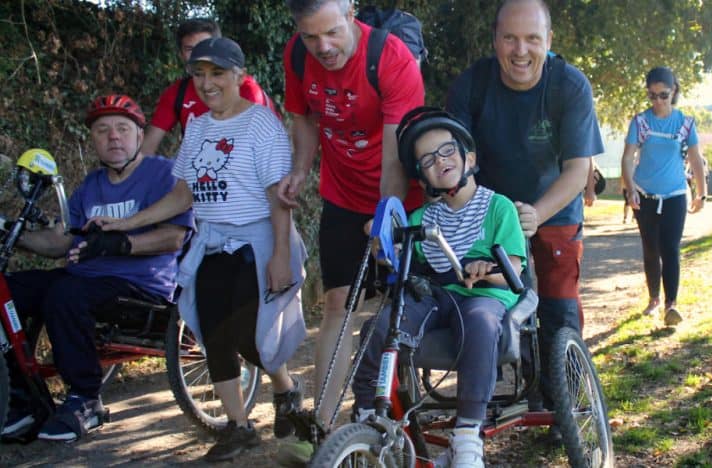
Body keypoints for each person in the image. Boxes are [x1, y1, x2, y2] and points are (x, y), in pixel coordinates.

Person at [98, 38, 307, 462]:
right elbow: (183, 195)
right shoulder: (197, 128)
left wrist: (281, 255)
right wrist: (126, 222)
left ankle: (285, 389)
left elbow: (278, 199)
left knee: (252, 337)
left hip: (258, 240)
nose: (207, 84)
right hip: (211, 240)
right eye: (199, 75)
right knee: (214, 333)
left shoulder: (262, 125)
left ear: (238, 76)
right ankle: (239, 427)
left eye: (216, 74)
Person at [1, 95, 194, 442]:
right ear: (92, 140)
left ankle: (85, 400)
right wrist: (16, 236)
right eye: (103, 130)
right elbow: (62, 242)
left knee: (66, 295)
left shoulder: (164, 174)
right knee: (8, 291)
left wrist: (123, 243)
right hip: (84, 276)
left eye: (123, 128)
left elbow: (173, 238)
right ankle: (22, 401)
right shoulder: (90, 185)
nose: (113, 137)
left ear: (139, 135)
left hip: (140, 284)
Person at [445, 0, 604, 421]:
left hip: (554, 207)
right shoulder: (472, 85)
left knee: (558, 308)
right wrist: (493, 214)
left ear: (548, 41)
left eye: (533, 39)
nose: (521, 50)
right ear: (495, 40)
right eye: (510, 38)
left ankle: (567, 404)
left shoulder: (569, 86)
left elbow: (577, 169)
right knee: (491, 299)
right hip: (489, 210)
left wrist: (536, 212)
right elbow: (454, 160)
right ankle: (506, 392)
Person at [278, 0, 424, 441]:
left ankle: (402, 415)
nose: (322, 47)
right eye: (310, 36)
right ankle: (320, 425)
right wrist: (302, 169)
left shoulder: (392, 57)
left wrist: (385, 219)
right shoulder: (297, 55)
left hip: (400, 195)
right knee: (338, 302)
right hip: (340, 194)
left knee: (401, 307)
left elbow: (397, 154)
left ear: (350, 12)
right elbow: (302, 116)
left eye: (332, 33)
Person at [352, 107, 526, 467]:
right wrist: (382, 245)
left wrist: (487, 268)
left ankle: (465, 436)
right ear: (422, 177)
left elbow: (515, 268)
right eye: (427, 159)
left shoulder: (499, 208)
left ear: (469, 158)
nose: (439, 161)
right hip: (435, 295)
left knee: (479, 320)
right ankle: (367, 413)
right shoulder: (420, 219)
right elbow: (398, 260)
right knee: (380, 325)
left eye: (447, 151)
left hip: (485, 295)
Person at [621, 66, 707, 326]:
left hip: (674, 195)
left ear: (674, 92)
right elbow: (627, 157)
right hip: (644, 195)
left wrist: (702, 194)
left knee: (670, 248)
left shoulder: (685, 123)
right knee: (650, 248)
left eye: (663, 95)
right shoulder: (640, 122)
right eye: (652, 95)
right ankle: (654, 300)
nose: (658, 101)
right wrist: (631, 188)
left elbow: (696, 159)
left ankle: (672, 305)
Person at [140, 18, 278, 157]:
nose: (198, 55)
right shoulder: (177, 93)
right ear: (181, 55)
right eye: (189, 49)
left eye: (204, 46)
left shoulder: (245, 88)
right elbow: (146, 149)